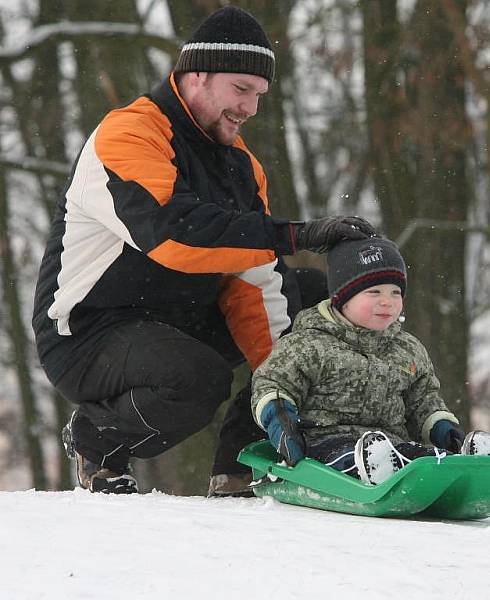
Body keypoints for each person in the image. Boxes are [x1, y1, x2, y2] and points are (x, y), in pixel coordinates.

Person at [31, 6, 376, 496]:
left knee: (317, 304)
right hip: (89, 332)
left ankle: (242, 462)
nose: (251, 109)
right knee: (199, 378)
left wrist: (281, 394)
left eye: (259, 95)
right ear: (197, 76)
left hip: (179, 320)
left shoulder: (243, 167)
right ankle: (98, 442)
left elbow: (257, 283)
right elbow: (174, 234)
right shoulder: (127, 135)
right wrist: (296, 235)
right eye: (241, 90)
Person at [250, 237, 490, 485]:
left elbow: (422, 400)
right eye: (374, 292)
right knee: (347, 457)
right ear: (342, 298)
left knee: (423, 457)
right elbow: (274, 384)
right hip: (324, 442)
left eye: (395, 292)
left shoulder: (408, 349)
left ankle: (465, 469)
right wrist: (281, 421)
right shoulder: (308, 344)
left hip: (392, 443)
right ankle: (379, 472)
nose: (387, 301)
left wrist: (444, 429)